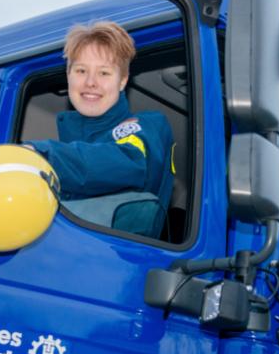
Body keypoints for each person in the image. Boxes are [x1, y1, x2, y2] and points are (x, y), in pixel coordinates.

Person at [25, 21, 174, 237]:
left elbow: (128, 162)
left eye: (104, 73)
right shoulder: (69, 148)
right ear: (68, 76)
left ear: (122, 81)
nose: (91, 82)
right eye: (81, 70)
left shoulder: (147, 126)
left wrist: (40, 155)